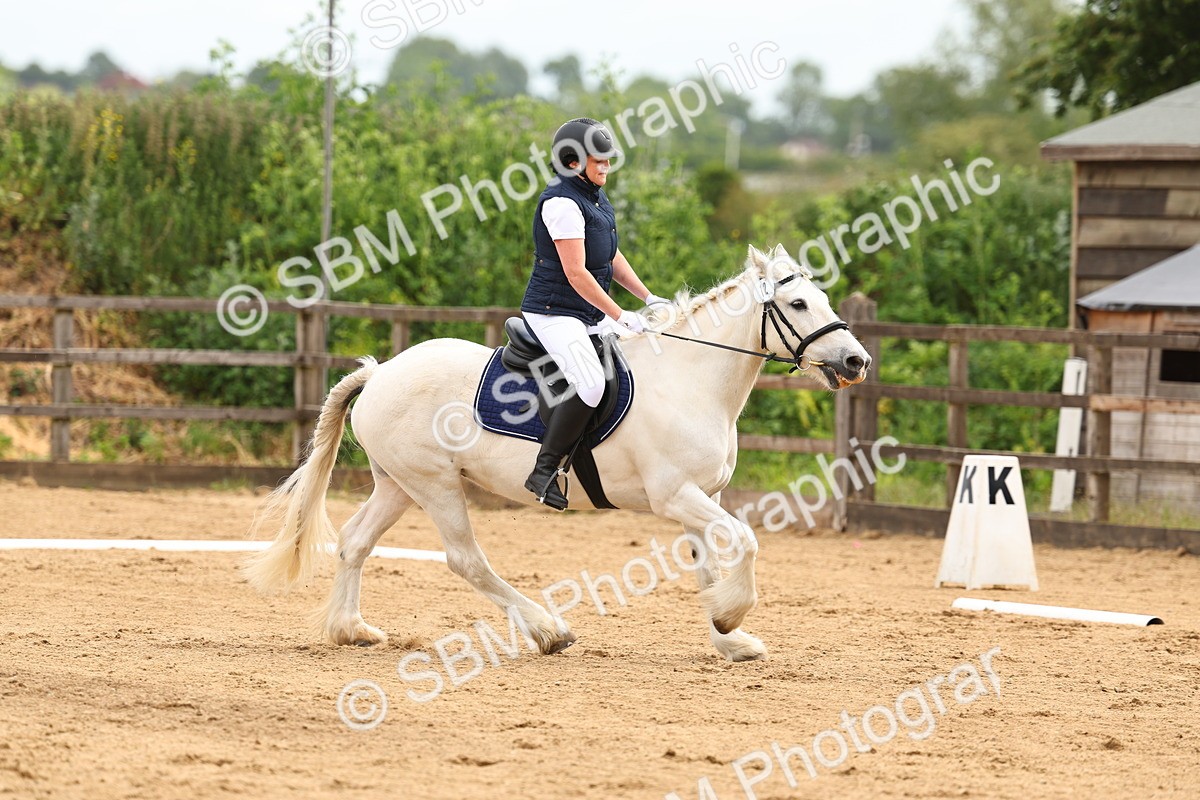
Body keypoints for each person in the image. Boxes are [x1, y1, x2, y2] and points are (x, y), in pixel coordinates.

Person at [520, 117, 667, 510]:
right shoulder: (563, 204)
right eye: (597, 161)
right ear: (572, 161)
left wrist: (649, 297)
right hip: (554, 312)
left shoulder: (595, 198)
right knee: (590, 384)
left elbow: (610, 257)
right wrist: (620, 314)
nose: (605, 167)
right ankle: (544, 470)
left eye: (607, 160)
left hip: (585, 310)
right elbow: (576, 272)